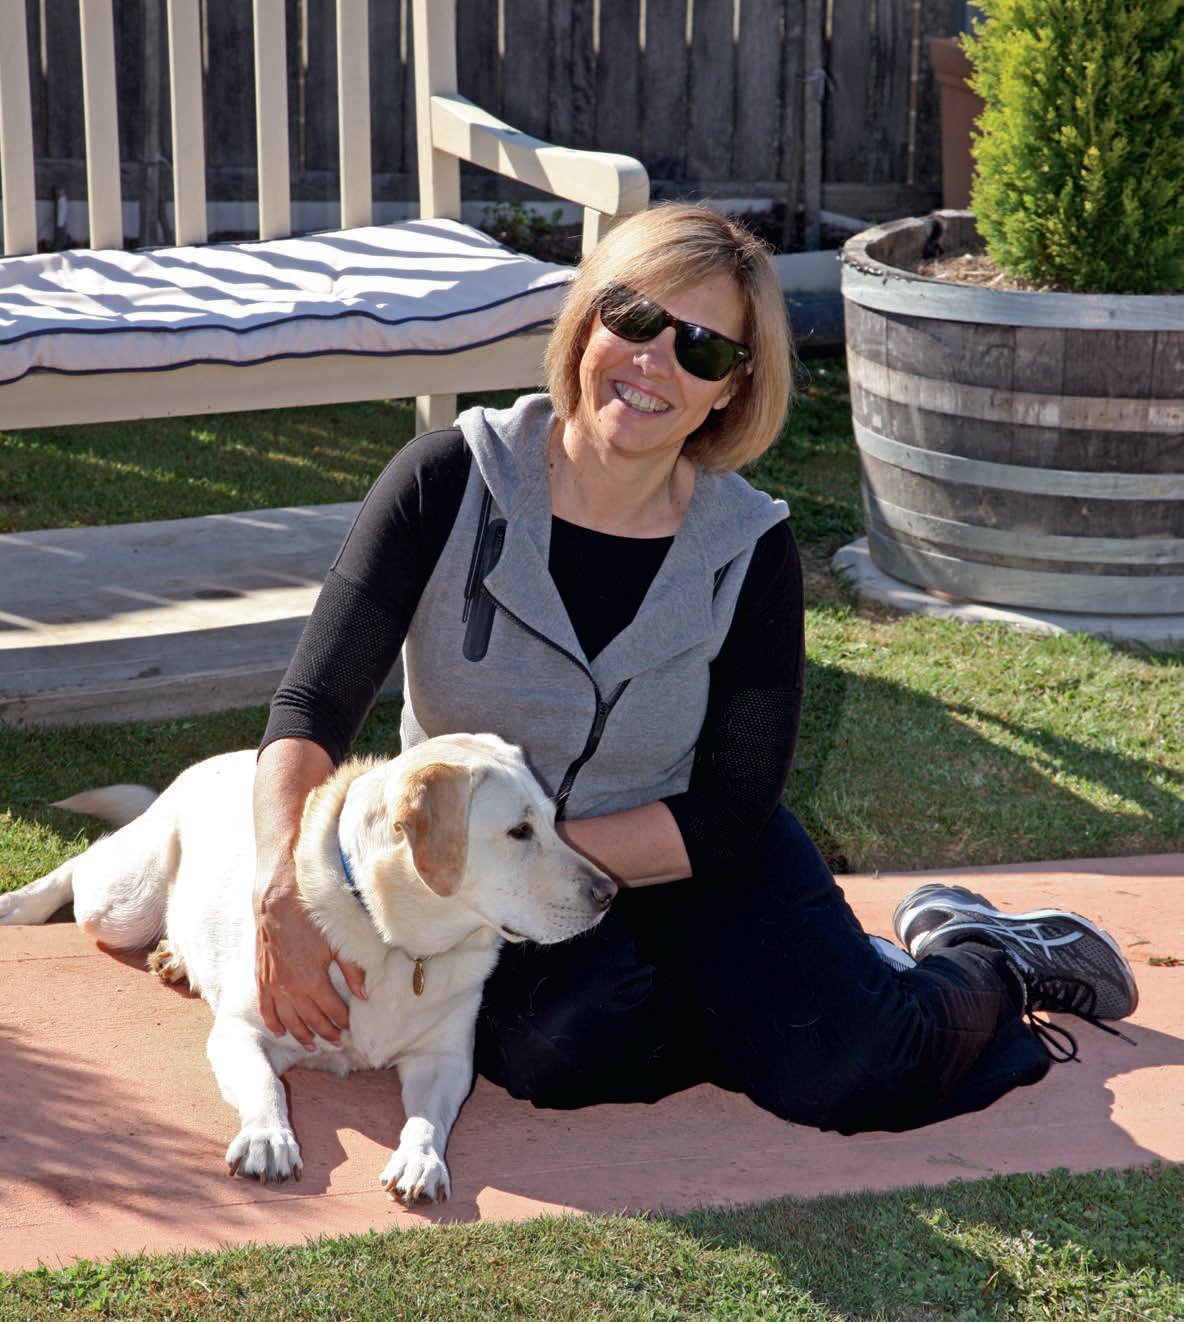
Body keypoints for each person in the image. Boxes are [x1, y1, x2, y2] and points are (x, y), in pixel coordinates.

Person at [251, 203, 1137, 1135]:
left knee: (860, 1070)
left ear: (731, 389)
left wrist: (552, 864)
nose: (654, 363)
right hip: (494, 871)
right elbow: (312, 708)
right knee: (556, 1052)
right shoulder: (445, 481)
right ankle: (784, 1009)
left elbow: (731, 807)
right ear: (587, 320)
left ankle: (981, 953)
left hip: (689, 850)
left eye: (703, 350)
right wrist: (282, 892)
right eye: (635, 319)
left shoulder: (750, 546)